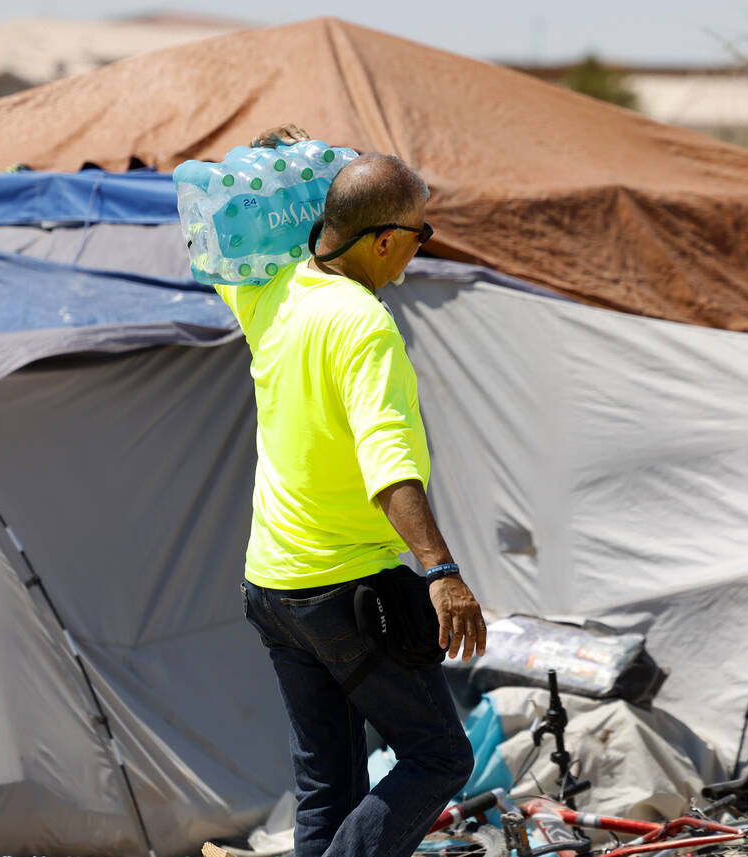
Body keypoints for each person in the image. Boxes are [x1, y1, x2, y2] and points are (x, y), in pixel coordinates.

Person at [204, 124, 488, 857]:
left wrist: (269, 157)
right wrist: (442, 570)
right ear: (386, 240)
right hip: (344, 589)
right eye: (421, 233)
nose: (422, 247)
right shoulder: (364, 324)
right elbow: (388, 462)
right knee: (440, 758)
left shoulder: (270, 292)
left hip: (272, 587)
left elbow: (222, 240)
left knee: (331, 781)